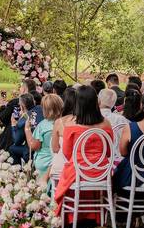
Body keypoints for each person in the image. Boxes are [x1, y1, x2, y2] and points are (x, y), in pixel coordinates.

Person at [53, 85, 114, 220]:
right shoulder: (107, 124)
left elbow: (68, 153)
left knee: (68, 170)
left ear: (78, 103)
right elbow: (109, 151)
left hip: (78, 171)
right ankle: (95, 215)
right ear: (95, 102)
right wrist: (94, 163)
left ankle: (71, 216)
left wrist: (84, 162)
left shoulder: (71, 126)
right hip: (101, 171)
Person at [27, 94, 62, 185]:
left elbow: (34, 146)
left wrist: (27, 130)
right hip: (59, 162)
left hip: (44, 162)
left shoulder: (42, 125)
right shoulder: (63, 123)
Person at [0, 79, 37, 150]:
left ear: (25, 89)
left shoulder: (16, 102)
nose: (20, 89)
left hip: (16, 137)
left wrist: (2, 106)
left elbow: (3, 118)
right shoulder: (38, 100)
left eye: (21, 87)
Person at [48, 87, 77, 182]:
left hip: (63, 166)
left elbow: (55, 149)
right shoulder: (85, 121)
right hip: (82, 166)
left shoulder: (59, 122)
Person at [9, 93, 44, 164]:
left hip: (32, 150)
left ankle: (18, 170)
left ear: (22, 106)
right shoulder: (41, 108)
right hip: (45, 144)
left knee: (12, 148)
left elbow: (17, 141)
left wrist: (13, 125)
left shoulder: (23, 120)